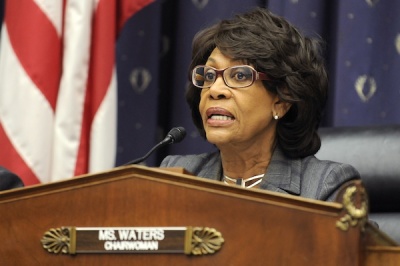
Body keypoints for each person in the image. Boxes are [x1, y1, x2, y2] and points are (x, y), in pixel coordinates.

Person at [160, 7, 360, 201]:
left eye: (239, 75)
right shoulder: (177, 175)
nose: (214, 90)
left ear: (282, 100)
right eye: (209, 75)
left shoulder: (325, 187)